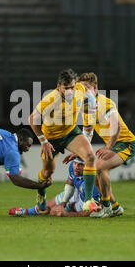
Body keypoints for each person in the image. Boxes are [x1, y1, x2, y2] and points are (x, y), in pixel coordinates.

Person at [63, 72, 135, 218]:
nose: (84, 91)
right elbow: (88, 134)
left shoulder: (105, 103)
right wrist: (79, 151)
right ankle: (115, 207)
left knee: (98, 167)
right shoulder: (87, 108)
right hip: (114, 145)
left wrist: (109, 147)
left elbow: (117, 127)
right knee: (94, 171)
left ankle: (106, 207)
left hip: (126, 143)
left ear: (95, 88)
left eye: (87, 87)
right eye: (81, 88)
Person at [29, 69, 99, 213]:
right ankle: (41, 197)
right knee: (48, 173)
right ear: (58, 87)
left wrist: (89, 117)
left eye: (72, 87)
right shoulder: (51, 99)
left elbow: (90, 101)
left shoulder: (80, 89)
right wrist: (43, 141)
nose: (70, 91)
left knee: (90, 156)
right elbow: (32, 118)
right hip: (51, 139)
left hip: (70, 133)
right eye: (66, 88)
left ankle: (87, 201)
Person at [9, 157, 125, 217]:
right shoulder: (72, 167)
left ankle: (69, 207)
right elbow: (70, 183)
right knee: (49, 205)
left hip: (85, 200)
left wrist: (66, 213)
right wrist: (63, 203)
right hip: (76, 192)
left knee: (55, 212)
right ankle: (25, 212)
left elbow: (91, 213)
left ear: (87, 167)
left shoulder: (94, 184)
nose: (76, 167)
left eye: (80, 165)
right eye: (75, 163)